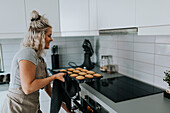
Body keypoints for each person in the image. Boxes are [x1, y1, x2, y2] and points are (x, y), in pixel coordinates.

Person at [1, 10, 70, 113]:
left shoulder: (39, 59)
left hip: (31, 108)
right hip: (16, 109)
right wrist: (54, 77)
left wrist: (67, 109)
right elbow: (28, 88)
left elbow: (48, 89)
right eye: (49, 35)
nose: (51, 39)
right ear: (40, 36)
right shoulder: (27, 53)